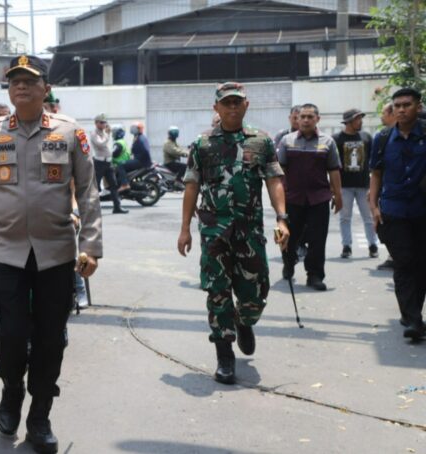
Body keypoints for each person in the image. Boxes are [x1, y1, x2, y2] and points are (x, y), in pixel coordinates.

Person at [0, 55, 102, 454]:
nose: (21, 87)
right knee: (9, 335)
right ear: (8, 89)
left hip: (56, 252)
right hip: (6, 251)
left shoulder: (69, 132)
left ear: (45, 88)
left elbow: (89, 192)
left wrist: (91, 245)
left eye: (29, 80)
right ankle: (11, 390)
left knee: (49, 339)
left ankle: (39, 414)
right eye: (14, 81)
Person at [177, 81, 289, 385]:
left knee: (256, 291)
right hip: (214, 232)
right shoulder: (202, 144)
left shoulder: (261, 142)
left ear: (246, 105)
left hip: (250, 230)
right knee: (218, 291)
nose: (232, 107)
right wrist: (185, 228)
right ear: (216, 108)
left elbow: (275, 180)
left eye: (237, 102)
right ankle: (225, 356)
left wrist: (282, 218)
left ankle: (244, 320)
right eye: (226, 103)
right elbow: (191, 186)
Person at [369, 87, 426, 339]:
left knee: (421, 264)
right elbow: (376, 174)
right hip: (392, 211)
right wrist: (373, 208)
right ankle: (413, 320)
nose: (401, 110)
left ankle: (411, 312)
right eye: (397, 106)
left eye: (407, 104)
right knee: (403, 263)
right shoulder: (382, 139)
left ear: (418, 107)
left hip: (422, 210)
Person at [277, 103, 343, 291]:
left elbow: (334, 170)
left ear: (317, 119)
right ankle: (288, 263)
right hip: (292, 198)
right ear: (296, 119)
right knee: (286, 235)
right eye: (302, 117)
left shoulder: (328, 142)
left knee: (317, 239)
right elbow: (280, 172)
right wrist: (279, 200)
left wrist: (338, 195)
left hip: (319, 198)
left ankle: (314, 275)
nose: (305, 120)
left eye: (310, 117)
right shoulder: (286, 141)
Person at [333, 109, 377, 259]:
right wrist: (334, 189)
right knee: (345, 217)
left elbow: (373, 161)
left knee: (368, 217)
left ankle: (373, 245)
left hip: (364, 184)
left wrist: (373, 184)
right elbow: (333, 165)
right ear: (349, 122)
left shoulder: (366, 137)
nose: (361, 121)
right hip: (344, 186)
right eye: (358, 119)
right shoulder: (337, 139)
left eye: (360, 119)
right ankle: (346, 246)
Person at [90, 113, 128, 214]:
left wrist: (107, 134)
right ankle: (93, 209)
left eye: (105, 122)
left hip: (108, 163)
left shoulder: (105, 133)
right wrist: (107, 134)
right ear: (96, 123)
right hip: (99, 163)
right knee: (96, 187)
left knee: (113, 185)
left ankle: (117, 207)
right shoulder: (94, 133)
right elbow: (100, 143)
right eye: (102, 122)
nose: (104, 124)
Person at [376, 101, 397, 271]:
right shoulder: (383, 136)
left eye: (383, 113)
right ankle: (394, 256)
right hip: (387, 194)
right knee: (384, 228)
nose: (381, 116)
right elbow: (376, 170)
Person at [116, 122, 152, 191]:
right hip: (140, 160)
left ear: (138, 129)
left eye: (134, 128)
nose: (132, 129)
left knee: (121, 164)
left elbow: (146, 150)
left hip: (140, 161)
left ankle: (125, 184)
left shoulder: (141, 138)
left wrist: (146, 161)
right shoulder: (138, 137)